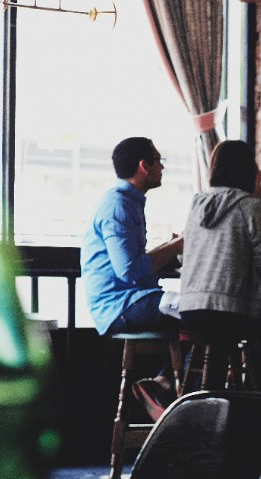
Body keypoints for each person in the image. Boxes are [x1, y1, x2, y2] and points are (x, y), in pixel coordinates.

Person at [178, 140, 261, 389]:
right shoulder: (252, 206)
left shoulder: (196, 204)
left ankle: (214, 401)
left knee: (227, 335)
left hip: (191, 311)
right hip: (232, 312)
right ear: (248, 170)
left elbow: (184, 255)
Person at [81, 136, 184, 418]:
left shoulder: (127, 201)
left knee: (200, 311)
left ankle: (164, 384)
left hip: (129, 299)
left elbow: (131, 263)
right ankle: (168, 389)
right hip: (120, 304)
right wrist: (176, 247)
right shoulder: (118, 205)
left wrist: (168, 247)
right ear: (144, 166)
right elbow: (128, 270)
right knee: (201, 311)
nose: (162, 167)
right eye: (158, 161)